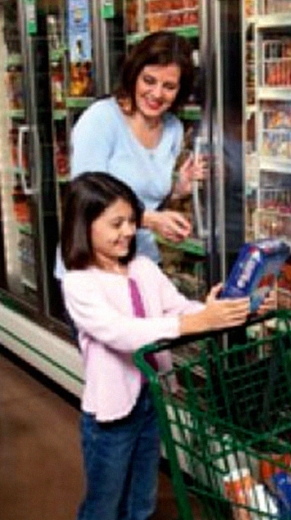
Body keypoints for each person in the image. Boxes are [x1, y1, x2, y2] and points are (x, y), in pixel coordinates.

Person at [61, 172, 274, 520]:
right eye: (117, 223)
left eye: (132, 220)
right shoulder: (79, 283)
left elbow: (180, 309)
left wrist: (235, 308)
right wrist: (197, 321)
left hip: (151, 399)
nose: (129, 231)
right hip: (112, 415)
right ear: (84, 226)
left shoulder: (143, 267)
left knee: (143, 496)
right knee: (104, 504)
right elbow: (121, 332)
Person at [64, 30, 201, 270]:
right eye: (149, 81)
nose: (157, 94)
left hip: (142, 264)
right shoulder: (102, 119)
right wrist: (150, 220)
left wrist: (178, 188)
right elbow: (86, 201)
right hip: (95, 267)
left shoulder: (173, 129)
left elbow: (145, 198)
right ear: (134, 75)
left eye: (169, 86)